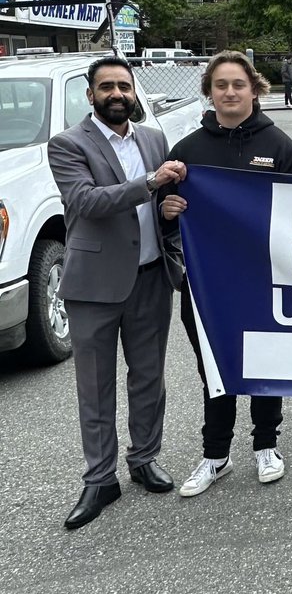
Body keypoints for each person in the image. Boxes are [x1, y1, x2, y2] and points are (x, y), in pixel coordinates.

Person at [47, 56, 186, 529]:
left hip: (150, 277)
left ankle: (144, 458)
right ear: (90, 95)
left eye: (124, 86)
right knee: (96, 385)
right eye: (106, 87)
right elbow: (86, 201)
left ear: (134, 91)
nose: (116, 94)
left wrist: (168, 208)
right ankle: (100, 478)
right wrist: (151, 183)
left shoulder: (151, 138)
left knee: (148, 378)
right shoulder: (67, 144)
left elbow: (158, 208)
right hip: (95, 286)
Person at [164, 51, 292, 497]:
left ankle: (267, 445)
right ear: (209, 91)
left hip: (264, 279)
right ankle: (215, 455)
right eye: (221, 84)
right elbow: (166, 215)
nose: (229, 92)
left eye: (238, 84)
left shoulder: (280, 146)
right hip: (206, 284)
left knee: (266, 362)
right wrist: (166, 210)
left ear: (254, 89)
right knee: (215, 365)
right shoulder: (187, 151)